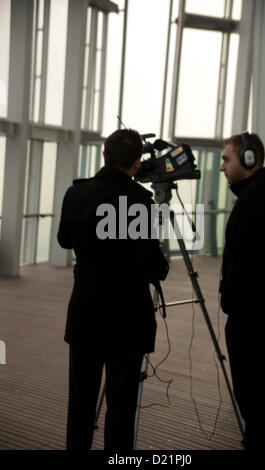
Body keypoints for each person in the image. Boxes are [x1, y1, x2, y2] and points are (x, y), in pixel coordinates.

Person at [57, 128, 169, 451]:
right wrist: (161, 259)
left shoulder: (75, 194)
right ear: (137, 163)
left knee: (80, 404)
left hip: (86, 315)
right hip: (127, 321)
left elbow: (65, 240)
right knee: (120, 409)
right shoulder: (140, 204)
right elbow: (153, 268)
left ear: (103, 155)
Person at [219, 132, 265, 450]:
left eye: (226, 159)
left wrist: (232, 301)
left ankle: (264, 442)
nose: (222, 167)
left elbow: (249, 263)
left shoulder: (258, 199)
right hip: (263, 304)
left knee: (253, 386)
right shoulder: (264, 192)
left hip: (254, 309)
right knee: (257, 381)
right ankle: (262, 439)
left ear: (249, 159)